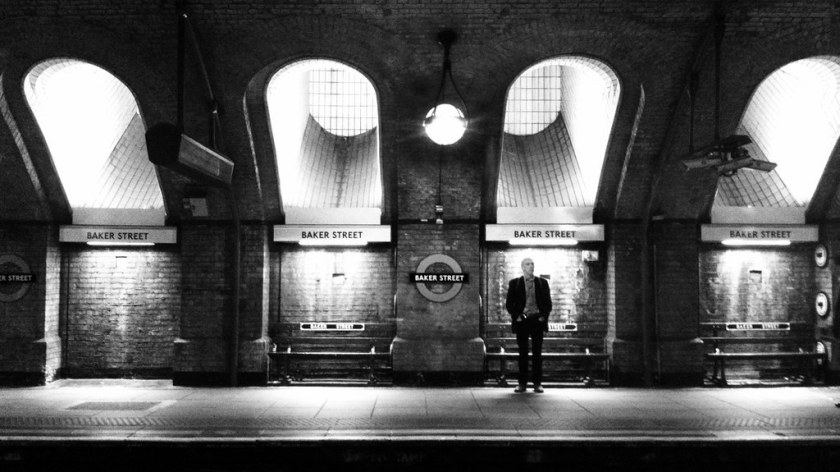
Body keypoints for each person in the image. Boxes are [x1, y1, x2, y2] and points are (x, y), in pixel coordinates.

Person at [505, 257, 551, 393]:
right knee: (523, 353)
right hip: (522, 321)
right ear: (522, 267)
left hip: (537, 321)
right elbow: (509, 304)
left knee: (537, 353)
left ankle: (537, 383)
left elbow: (548, 303)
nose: (531, 266)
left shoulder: (542, 283)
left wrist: (543, 316)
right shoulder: (515, 283)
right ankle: (522, 383)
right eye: (528, 264)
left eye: (532, 264)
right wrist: (517, 316)